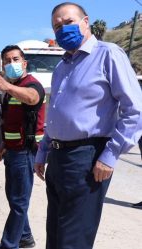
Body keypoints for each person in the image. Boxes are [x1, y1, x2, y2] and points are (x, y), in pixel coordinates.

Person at [33, 3, 142, 249]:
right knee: (56, 233)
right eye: (57, 26)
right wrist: (43, 151)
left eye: (68, 22)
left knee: (74, 238)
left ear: (85, 21)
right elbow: (55, 114)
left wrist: (110, 155)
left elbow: (135, 109)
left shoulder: (108, 54)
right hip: (59, 157)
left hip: (87, 157)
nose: (63, 29)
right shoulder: (62, 66)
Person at [0, 44, 46, 249]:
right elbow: (10, 122)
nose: (12, 64)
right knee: (14, 198)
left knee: (19, 202)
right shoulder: (11, 90)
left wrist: (6, 86)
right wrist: (2, 146)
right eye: (7, 61)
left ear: (24, 62)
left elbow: (33, 98)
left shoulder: (31, 85)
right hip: (12, 151)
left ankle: (9, 245)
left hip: (25, 152)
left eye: (15, 59)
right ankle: (25, 236)